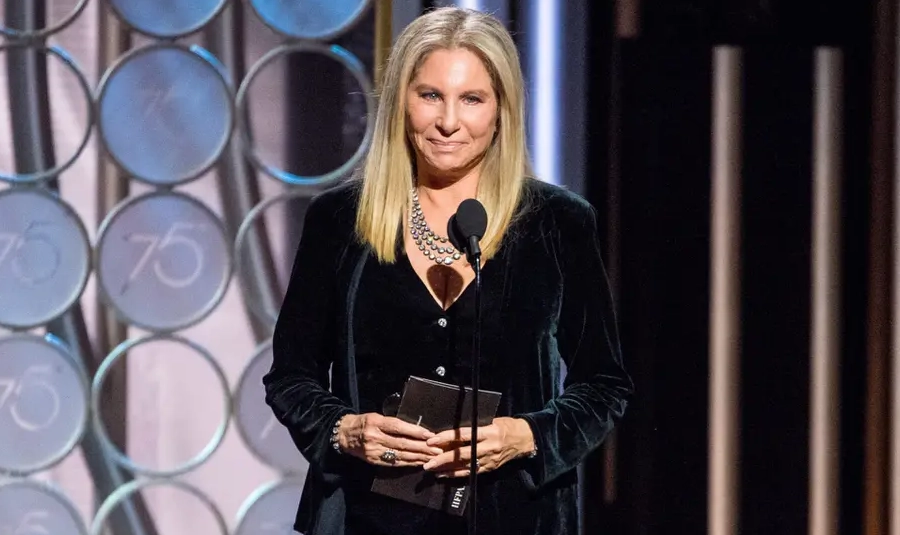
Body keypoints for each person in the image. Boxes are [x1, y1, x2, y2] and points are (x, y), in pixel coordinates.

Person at [263, 6, 633, 535]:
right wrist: (343, 430)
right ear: (400, 102)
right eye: (430, 95)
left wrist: (526, 436)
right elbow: (290, 376)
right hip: (367, 519)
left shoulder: (558, 223)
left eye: (472, 99)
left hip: (516, 519)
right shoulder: (340, 221)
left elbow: (604, 385)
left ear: (502, 110)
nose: (448, 122)